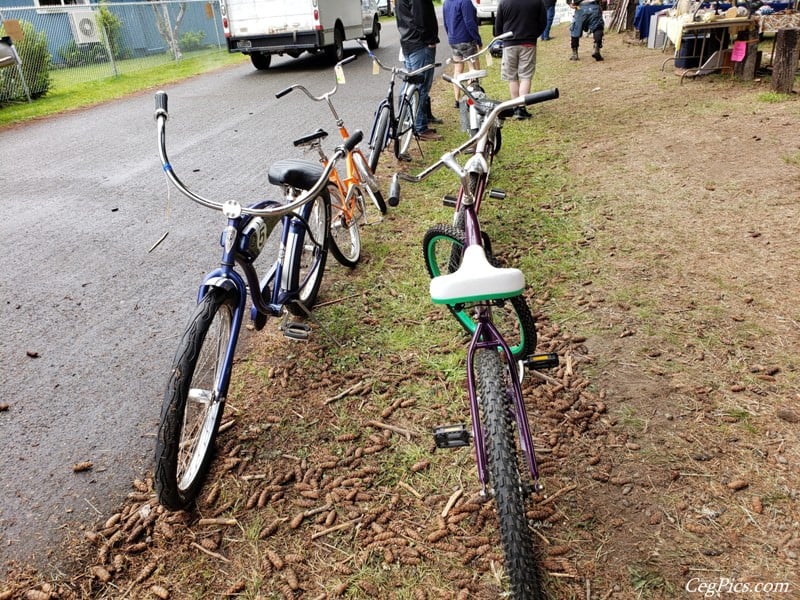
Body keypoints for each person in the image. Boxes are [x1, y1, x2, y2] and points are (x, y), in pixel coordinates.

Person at [395, 0, 443, 141]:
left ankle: (408, 120)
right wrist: (430, 40)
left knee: (411, 85)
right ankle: (420, 127)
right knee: (421, 87)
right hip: (420, 44)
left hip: (408, 42)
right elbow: (422, 18)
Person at [493, 0, 548, 120]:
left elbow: (498, 27)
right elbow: (543, 22)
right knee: (526, 75)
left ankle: (515, 106)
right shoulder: (537, 2)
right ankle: (522, 107)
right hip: (529, 42)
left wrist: (501, 36)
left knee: (512, 76)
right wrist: (533, 35)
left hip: (509, 42)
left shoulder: (504, 2)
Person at [443, 0, 482, 109]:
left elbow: (446, 23)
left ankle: (457, 99)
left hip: (453, 40)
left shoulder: (446, 2)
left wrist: (451, 36)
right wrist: (478, 40)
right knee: (473, 69)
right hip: (466, 40)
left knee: (457, 70)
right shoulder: (465, 2)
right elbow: (470, 22)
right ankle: (473, 97)